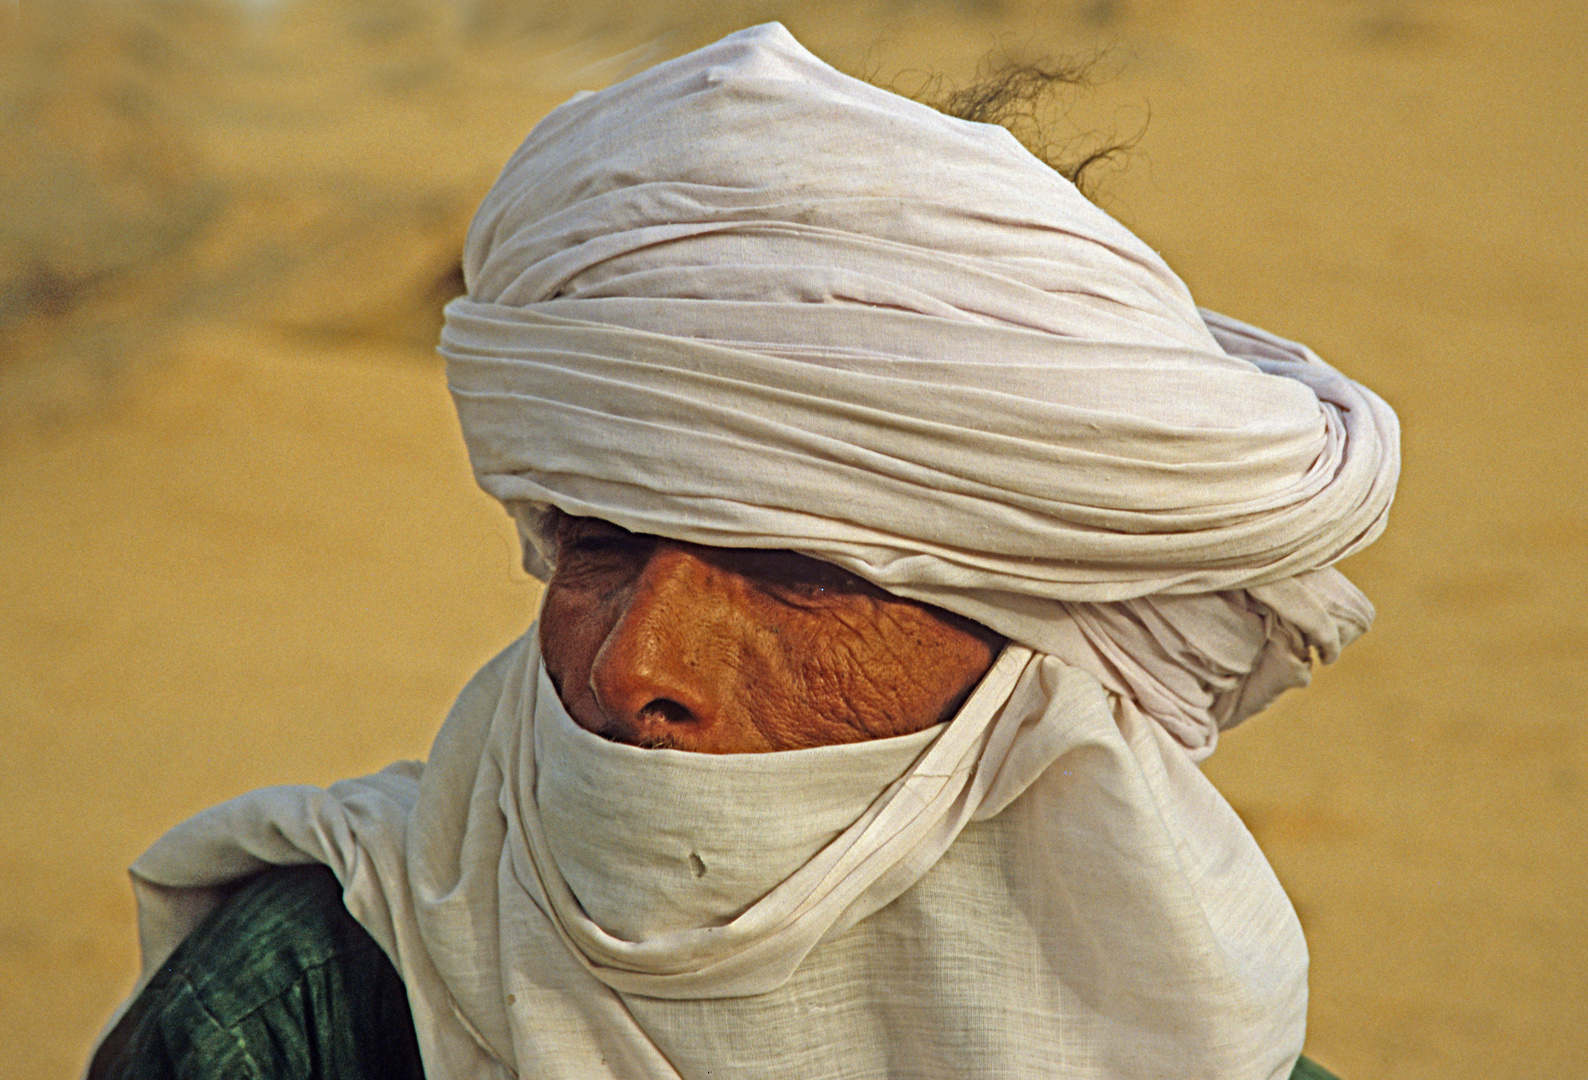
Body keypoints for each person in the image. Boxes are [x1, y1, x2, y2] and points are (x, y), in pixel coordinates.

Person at [89, 23, 1397, 1080]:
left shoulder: (1190, 1048)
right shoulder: (303, 1016)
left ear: (1035, 669)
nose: (629, 667)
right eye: (601, 542)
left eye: (802, 578)